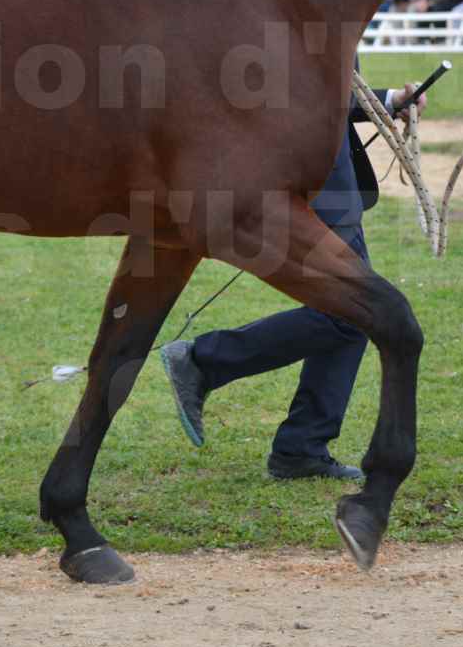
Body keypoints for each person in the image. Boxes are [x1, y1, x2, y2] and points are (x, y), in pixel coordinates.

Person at [160, 71, 428, 481]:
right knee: (358, 312)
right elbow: (294, 88)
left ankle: (300, 447)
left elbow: (327, 88)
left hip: (329, 181)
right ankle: (205, 361)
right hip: (311, 180)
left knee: (353, 315)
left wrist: (388, 99)